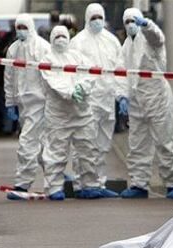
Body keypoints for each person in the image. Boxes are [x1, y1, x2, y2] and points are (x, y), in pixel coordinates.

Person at [40, 26, 118, 199]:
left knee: (88, 150)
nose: (60, 39)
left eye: (63, 36)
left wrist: (81, 87)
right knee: (56, 152)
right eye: (57, 36)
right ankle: (54, 188)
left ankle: (89, 186)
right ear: (52, 38)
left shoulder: (77, 56)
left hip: (82, 113)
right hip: (59, 116)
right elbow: (53, 81)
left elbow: (90, 73)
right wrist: (70, 91)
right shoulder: (47, 59)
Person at [117, 8, 173, 199]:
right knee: (137, 144)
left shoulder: (149, 38)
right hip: (136, 100)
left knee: (165, 141)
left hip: (157, 97)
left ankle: (172, 183)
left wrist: (147, 25)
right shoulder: (126, 46)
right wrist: (121, 96)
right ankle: (139, 184)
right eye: (127, 21)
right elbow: (121, 72)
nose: (130, 25)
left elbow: (158, 38)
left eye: (133, 21)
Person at [69, 3, 123, 188]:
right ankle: (80, 182)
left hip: (107, 99)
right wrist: (74, 90)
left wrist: (121, 94)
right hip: (87, 99)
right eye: (93, 18)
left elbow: (120, 69)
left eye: (100, 17)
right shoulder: (77, 42)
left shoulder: (112, 41)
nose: (97, 21)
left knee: (103, 143)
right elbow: (71, 68)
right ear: (87, 18)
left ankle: (98, 182)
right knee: (84, 142)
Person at [4, 14, 51, 200]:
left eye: (24, 27)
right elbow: (9, 77)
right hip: (23, 104)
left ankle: (22, 184)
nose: (21, 30)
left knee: (27, 142)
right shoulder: (13, 49)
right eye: (18, 27)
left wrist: (51, 102)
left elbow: (49, 76)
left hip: (40, 102)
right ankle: (55, 180)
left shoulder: (42, 47)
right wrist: (10, 102)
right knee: (41, 144)